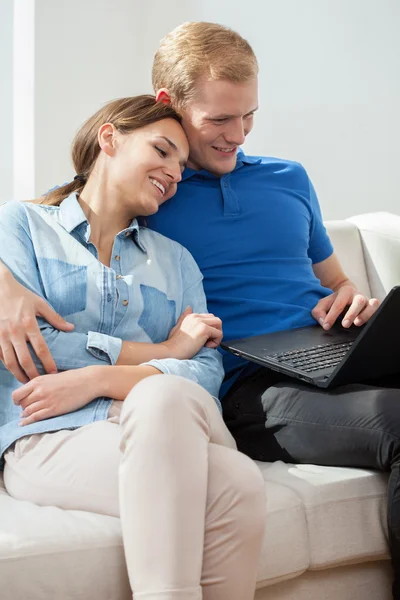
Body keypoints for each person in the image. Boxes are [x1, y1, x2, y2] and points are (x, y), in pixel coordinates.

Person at [1, 18, 399, 596]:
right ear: (164, 108)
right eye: (219, 120)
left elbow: (332, 280)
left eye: (249, 117)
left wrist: (349, 300)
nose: (238, 135)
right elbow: (62, 220)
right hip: (249, 383)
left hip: (333, 349)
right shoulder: (147, 199)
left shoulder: (271, 190)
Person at [0, 94, 266, 600]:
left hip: (160, 425)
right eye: (162, 150)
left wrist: (99, 377)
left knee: (169, 401)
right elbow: (36, 349)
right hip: (48, 436)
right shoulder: (22, 226)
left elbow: (206, 372)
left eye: (181, 165)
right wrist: (165, 349)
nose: (173, 173)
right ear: (110, 137)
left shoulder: (178, 261)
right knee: (237, 484)